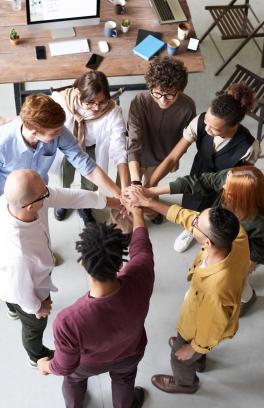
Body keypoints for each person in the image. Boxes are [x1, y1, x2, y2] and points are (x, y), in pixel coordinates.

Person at [124, 188, 250, 394]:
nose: (192, 222)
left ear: (207, 242)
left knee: (178, 357)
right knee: (193, 349)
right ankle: (199, 360)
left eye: (196, 224)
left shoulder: (216, 290)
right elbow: (187, 217)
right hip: (204, 315)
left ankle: (185, 383)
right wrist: (149, 202)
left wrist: (192, 348)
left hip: (198, 327)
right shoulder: (237, 236)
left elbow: (211, 331)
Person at [37, 205, 154, 408]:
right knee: (125, 379)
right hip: (131, 352)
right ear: (120, 264)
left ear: (82, 263)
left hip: (87, 365)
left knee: (74, 379)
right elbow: (141, 246)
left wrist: (46, 366)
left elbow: (65, 366)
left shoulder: (68, 321)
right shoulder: (141, 273)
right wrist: (137, 214)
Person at [0, 169, 119, 368]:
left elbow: (69, 196)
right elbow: (19, 290)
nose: (49, 193)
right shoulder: (19, 253)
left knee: (14, 303)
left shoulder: (13, 200)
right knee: (33, 326)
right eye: (44, 193)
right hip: (25, 289)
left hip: (10, 277)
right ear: (30, 207)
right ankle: (35, 355)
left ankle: (12, 309)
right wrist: (38, 307)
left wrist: (113, 202)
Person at [145, 82, 259, 251]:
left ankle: (206, 235)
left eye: (214, 128)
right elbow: (172, 158)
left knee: (214, 216)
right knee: (191, 202)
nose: (207, 129)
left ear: (234, 126)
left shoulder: (249, 147)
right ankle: (190, 229)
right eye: (206, 123)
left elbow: (240, 181)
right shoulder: (199, 121)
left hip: (224, 187)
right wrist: (149, 186)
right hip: (198, 172)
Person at [136, 165, 264, 315]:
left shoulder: (258, 222)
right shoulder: (233, 178)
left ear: (240, 197)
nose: (222, 185)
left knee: (236, 279)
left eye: (227, 187)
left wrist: (250, 263)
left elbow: (259, 249)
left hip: (238, 255)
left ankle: (246, 299)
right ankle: (246, 296)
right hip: (220, 243)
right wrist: (150, 193)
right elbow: (199, 183)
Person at [0, 93, 120, 200]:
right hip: (7, 197)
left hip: (40, 193)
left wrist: (118, 193)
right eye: (54, 133)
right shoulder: (3, 143)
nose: (59, 134)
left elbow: (85, 164)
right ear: (34, 133)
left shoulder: (57, 129)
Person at [51, 71, 129, 223]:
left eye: (102, 102)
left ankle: (85, 205)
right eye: (90, 103)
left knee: (91, 183)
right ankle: (62, 202)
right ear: (79, 93)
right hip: (66, 148)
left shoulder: (112, 111)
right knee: (64, 177)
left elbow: (119, 147)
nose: (96, 108)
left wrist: (124, 189)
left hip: (92, 147)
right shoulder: (61, 101)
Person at [127, 56, 196, 224]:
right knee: (128, 193)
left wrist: (150, 184)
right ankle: (124, 224)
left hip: (163, 158)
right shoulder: (140, 101)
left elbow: (183, 143)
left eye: (170, 95)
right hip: (136, 158)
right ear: (150, 87)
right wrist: (136, 183)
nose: (163, 100)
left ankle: (152, 213)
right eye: (157, 93)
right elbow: (133, 144)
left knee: (151, 191)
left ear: (180, 90)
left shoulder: (187, 107)